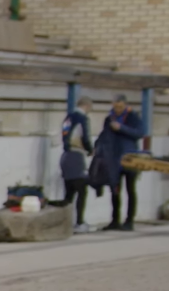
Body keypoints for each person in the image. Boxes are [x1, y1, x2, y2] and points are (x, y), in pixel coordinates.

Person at [90, 94, 145, 232]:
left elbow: (140, 133)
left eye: (120, 107)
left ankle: (129, 221)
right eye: (115, 107)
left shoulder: (133, 116)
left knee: (130, 190)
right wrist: (97, 146)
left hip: (129, 158)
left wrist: (121, 128)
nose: (118, 110)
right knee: (114, 189)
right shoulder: (109, 118)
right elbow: (104, 134)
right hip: (113, 159)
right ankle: (115, 220)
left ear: (125, 105)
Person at [54, 98, 94, 233]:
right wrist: (90, 150)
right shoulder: (82, 118)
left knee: (69, 193)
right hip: (76, 157)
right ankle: (79, 222)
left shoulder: (68, 118)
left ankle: (64, 223)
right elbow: (85, 137)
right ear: (87, 106)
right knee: (82, 191)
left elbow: (64, 135)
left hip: (66, 157)